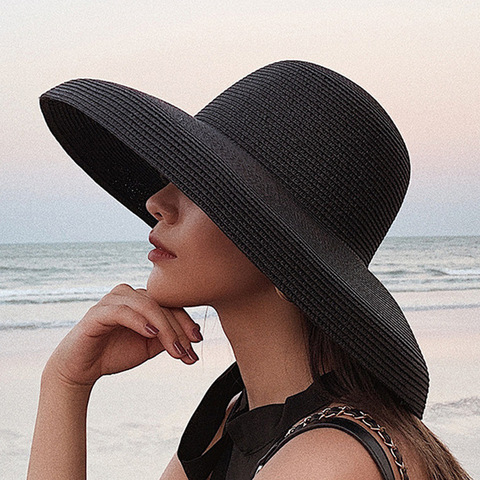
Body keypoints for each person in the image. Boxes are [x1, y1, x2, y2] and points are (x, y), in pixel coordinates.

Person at [28, 60, 472, 480]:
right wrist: (66, 383)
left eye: (201, 185)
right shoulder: (240, 419)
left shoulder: (323, 462)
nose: (156, 203)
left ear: (284, 256)